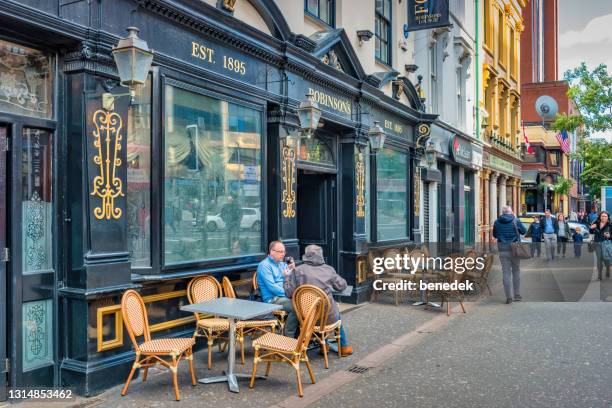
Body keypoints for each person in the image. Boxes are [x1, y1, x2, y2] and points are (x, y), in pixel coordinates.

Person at [284, 245, 353, 356]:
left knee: (317, 309)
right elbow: (341, 286)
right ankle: (344, 347)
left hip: (307, 318)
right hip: (328, 317)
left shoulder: (297, 270)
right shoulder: (328, 269)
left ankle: (324, 345)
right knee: (334, 311)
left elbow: (288, 293)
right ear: (321, 256)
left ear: (306, 256)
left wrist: (286, 278)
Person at [256, 241, 299, 337]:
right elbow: (272, 288)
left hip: (285, 295)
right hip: (273, 298)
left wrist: (293, 270)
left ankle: (302, 335)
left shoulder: (282, 264)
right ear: (272, 252)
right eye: (280, 252)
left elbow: (292, 282)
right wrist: (291, 293)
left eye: (284, 252)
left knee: (306, 303)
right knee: (297, 307)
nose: (283, 254)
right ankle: (288, 336)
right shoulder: (264, 265)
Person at [493, 206, 527, 304]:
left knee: (506, 273)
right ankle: (517, 295)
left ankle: (509, 297)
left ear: (502, 212)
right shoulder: (515, 220)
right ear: (511, 212)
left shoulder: (497, 222)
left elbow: (495, 235)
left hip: (503, 249)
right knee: (516, 271)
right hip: (515, 249)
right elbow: (524, 231)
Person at [589, 211, 611, 280]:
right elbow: (591, 232)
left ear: (607, 217)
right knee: (599, 259)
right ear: (600, 217)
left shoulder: (610, 225)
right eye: (602, 216)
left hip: (606, 244)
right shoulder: (596, 223)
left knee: (607, 259)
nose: (603, 217)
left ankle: (608, 269)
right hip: (597, 243)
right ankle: (599, 275)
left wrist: (609, 236)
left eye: (605, 216)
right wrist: (591, 228)